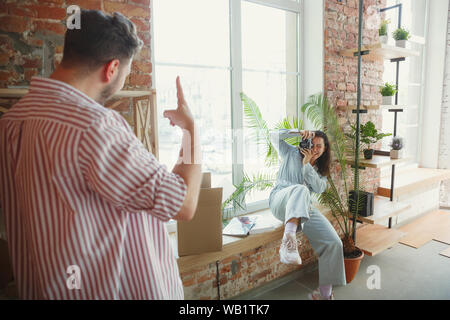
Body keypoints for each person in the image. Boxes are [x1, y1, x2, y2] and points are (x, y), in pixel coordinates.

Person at [0, 10, 202, 299]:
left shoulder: (11, 122)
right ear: (112, 68)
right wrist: (191, 130)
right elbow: (183, 203)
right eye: (126, 74)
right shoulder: (95, 126)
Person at [269, 129, 346, 300]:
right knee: (301, 189)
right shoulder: (290, 152)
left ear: (325, 149)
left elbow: (319, 188)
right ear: (306, 143)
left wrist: (306, 165)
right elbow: (273, 135)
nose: (315, 148)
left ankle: (324, 294)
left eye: (319, 146)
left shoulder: (320, 170)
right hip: (280, 201)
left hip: (304, 208)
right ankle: (288, 241)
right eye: (312, 144)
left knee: (334, 243)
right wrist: (297, 133)